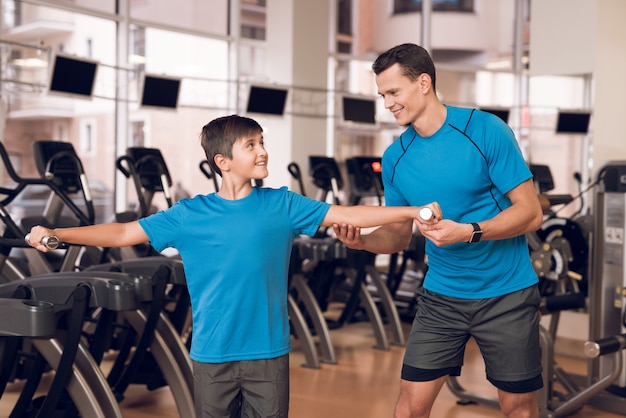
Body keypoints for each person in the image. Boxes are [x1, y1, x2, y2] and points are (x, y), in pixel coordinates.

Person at [26, 114, 441, 418]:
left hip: (269, 354)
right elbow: (121, 234)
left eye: (262, 142)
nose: (263, 151)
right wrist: (60, 235)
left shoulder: (282, 203)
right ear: (223, 161)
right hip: (212, 355)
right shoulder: (189, 214)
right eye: (251, 145)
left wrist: (411, 211)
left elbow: (347, 214)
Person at [333, 43, 544, 418]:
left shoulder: (484, 130)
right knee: (409, 408)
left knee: (519, 409)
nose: (388, 104)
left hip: (506, 293)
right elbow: (398, 236)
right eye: (383, 95)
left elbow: (530, 214)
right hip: (442, 298)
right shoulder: (396, 158)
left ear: (424, 82)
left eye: (394, 92)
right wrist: (362, 241)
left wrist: (468, 232)